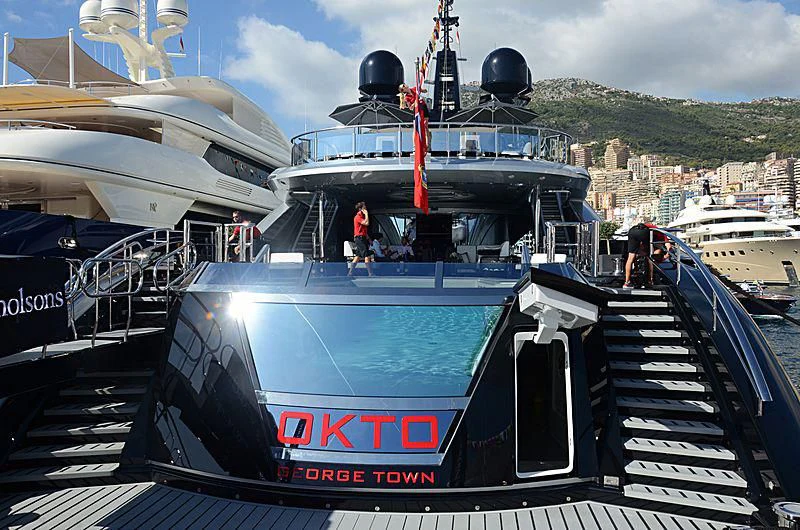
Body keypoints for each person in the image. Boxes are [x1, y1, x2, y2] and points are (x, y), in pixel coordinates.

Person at [624, 221, 661, 288]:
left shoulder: (638, 226)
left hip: (633, 232)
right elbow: (666, 245)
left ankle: (627, 282)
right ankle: (650, 281)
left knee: (630, 258)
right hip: (644, 233)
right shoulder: (655, 229)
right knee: (648, 257)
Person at [399, 83, 432, 150]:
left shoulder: (414, 89)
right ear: (403, 90)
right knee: (415, 128)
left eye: (404, 84)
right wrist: (415, 102)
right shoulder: (407, 97)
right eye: (403, 86)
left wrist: (422, 90)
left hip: (423, 107)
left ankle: (428, 145)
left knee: (425, 126)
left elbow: (424, 91)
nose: (405, 85)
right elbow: (410, 108)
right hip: (416, 110)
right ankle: (415, 146)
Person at [350, 201, 374, 275]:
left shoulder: (362, 217)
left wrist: (368, 239)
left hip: (362, 237)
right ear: (360, 209)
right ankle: (370, 273)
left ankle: (350, 273)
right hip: (359, 238)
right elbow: (367, 223)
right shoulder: (358, 217)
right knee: (366, 255)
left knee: (358, 256)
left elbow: (364, 230)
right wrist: (367, 214)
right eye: (364, 207)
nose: (365, 208)